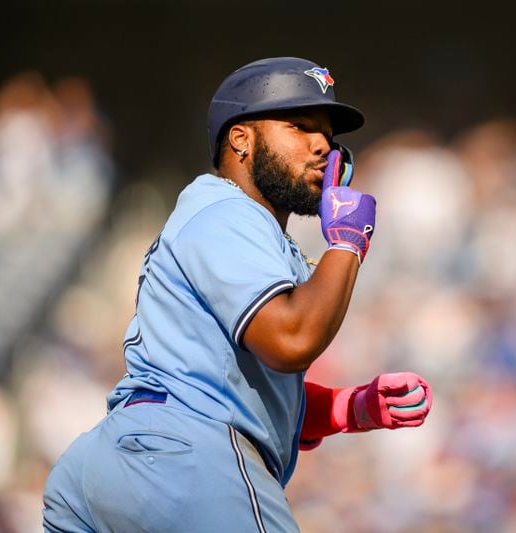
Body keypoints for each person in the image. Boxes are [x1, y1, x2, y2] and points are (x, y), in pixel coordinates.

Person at [43, 57, 432, 532]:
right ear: (241, 139)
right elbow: (290, 340)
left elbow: (235, 385)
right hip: (187, 460)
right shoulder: (229, 212)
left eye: (328, 135)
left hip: (108, 471)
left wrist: (350, 407)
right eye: (299, 125)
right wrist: (348, 243)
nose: (322, 146)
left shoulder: (230, 224)